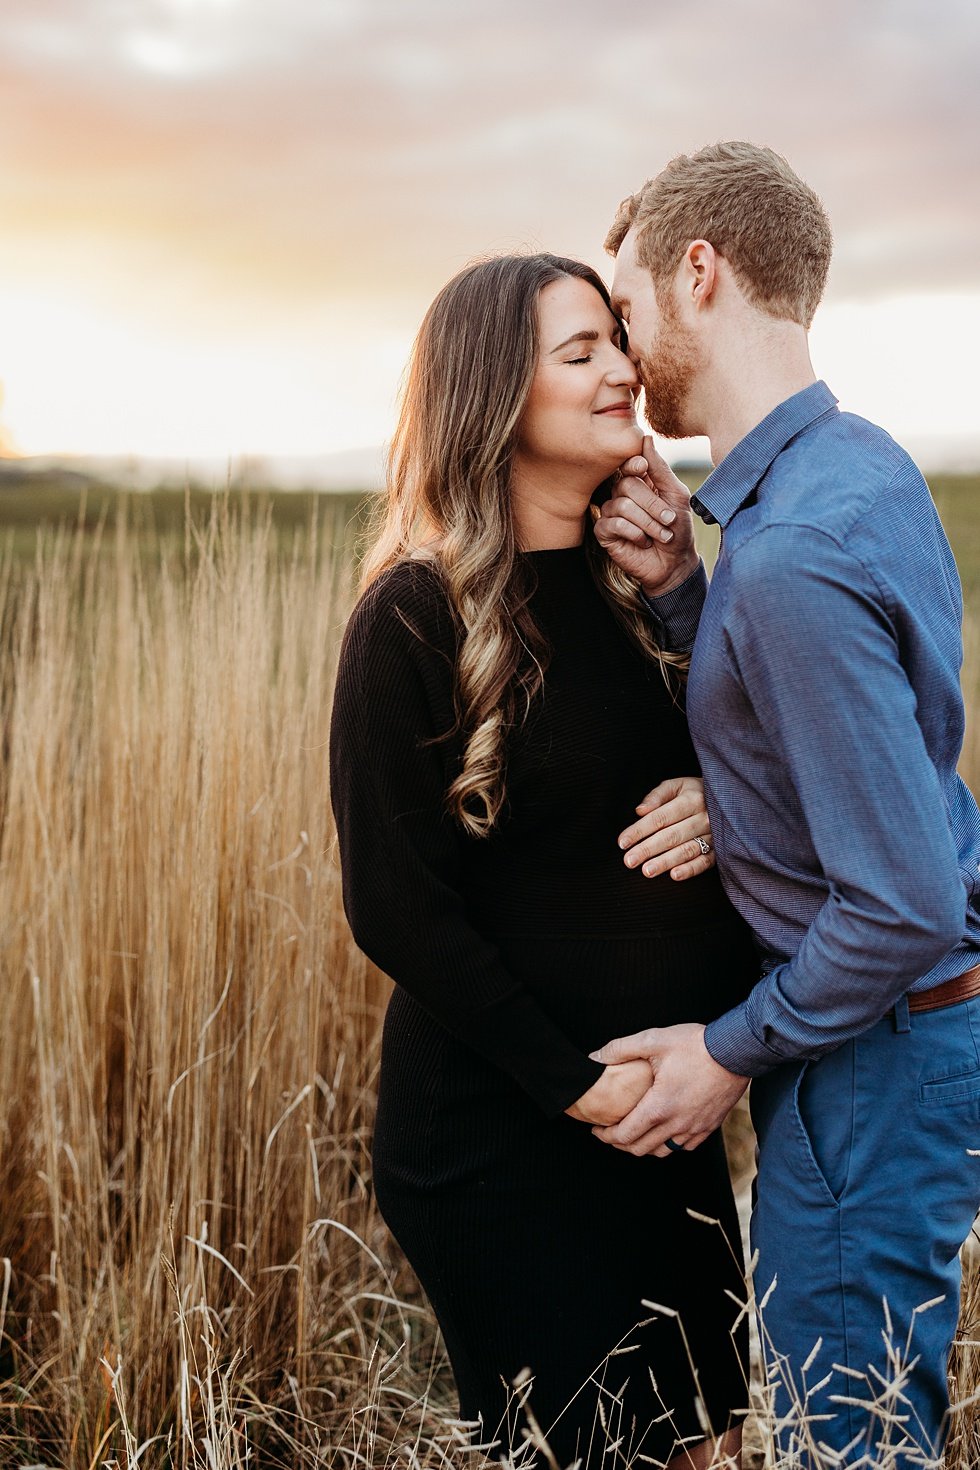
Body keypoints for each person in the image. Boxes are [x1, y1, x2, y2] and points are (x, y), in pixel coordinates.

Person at [329, 252, 759, 1468]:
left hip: (665, 1117)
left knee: (704, 1446)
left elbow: (768, 782)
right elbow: (395, 909)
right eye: (579, 353)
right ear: (489, 398)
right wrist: (578, 1086)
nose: (622, 366)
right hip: (507, 1134)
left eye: (615, 339)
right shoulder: (414, 615)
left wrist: (731, 804)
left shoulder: (648, 593)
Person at [591, 140, 980, 1467]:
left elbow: (905, 900)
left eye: (626, 308)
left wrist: (728, 1048)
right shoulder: (854, 469)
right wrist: (681, 594)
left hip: (868, 1061)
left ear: (700, 271)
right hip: (896, 1047)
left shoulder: (792, 553)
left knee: (846, 1444)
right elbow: (826, 751)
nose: (623, 352)